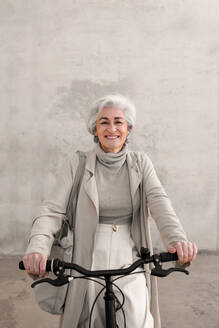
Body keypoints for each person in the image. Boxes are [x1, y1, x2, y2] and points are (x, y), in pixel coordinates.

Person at [23, 94, 198, 328]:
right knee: (89, 319)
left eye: (119, 121)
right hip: (87, 253)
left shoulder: (140, 162)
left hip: (130, 254)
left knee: (137, 319)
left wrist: (178, 241)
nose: (112, 128)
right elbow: (52, 211)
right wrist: (37, 249)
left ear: (128, 128)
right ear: (94, 129)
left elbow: (160, 202)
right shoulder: (77, 163)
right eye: (104, 122)